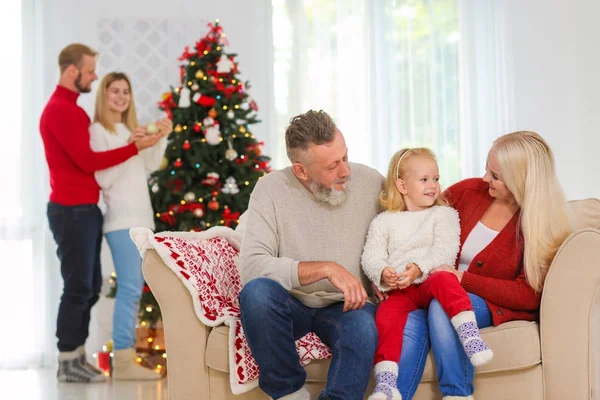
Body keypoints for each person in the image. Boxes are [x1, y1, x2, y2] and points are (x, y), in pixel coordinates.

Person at [389, 132, 572, 400]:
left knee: (444, 305)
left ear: (521, 181)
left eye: (495, 175)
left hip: (483, 302)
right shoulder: (469, 192)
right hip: (437, 288)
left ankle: (458, 395)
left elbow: (529, 294)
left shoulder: (540, 223)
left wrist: (462, 279)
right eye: (487, 169)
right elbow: (419, 223)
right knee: (409, 322)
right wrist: (387, 270)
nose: (485, 178)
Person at [238, 110, 384, 400]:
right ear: (301, 171)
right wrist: (326, 268)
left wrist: (387, 271)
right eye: (332, 166)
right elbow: (252, 266)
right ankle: (289, 393)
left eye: (345, 157)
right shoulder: (270, 190)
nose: (345, 171)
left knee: (364, 327)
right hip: (291, 302)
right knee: (257, 293)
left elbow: (405, 226)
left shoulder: (371, 182)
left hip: (349, 306)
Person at [40, 43, 163, 383]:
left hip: (85, 210)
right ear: (72, 71)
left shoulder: (73, 110)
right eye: (91, 70)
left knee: (89, 287)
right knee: (79, 287)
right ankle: (68, 360)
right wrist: (132, 148)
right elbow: (89, 163)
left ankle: (75, 356)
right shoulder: (61, 111)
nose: (94, 76)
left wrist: (141, 145)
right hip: (71, 210)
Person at [361, 148, 493, 400]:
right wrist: (382, 272)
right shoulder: (384, 222)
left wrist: (418, 268)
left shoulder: (444, 215)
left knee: (445, 278)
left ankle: (469, 335)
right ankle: (386, 384)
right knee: (385, 316)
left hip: (429, 280)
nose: (433, 186)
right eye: (424, 180)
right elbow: (371, 256)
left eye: (436, 178)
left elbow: (445, 251)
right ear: (401, 185)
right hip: (400, 290)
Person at [90, 72, 170, 380]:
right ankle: (122, 360)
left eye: (126, 91)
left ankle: (124, 358)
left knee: (134, 288)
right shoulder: (100, 131)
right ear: (104, 95)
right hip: (121, 222)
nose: (121, 96)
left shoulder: (127, 129)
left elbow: (149, 164)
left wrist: (158, 139)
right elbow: (103, 178)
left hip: (142, 223)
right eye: (115, 91)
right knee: (130, 289)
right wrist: (129, 146)